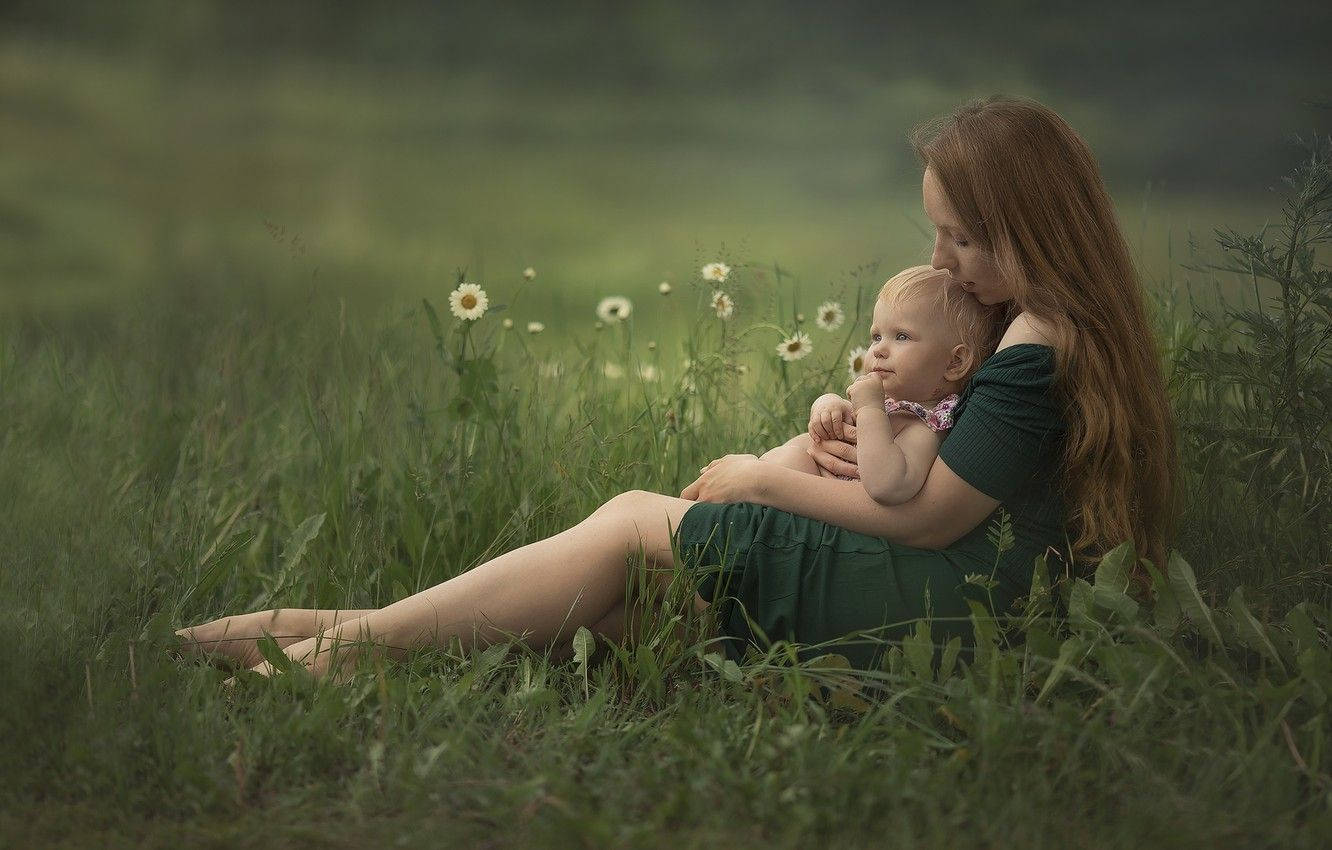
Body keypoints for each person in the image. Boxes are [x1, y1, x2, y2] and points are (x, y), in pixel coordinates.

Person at [176, 95, 1176, 676]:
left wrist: (764, 479)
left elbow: (932, 522)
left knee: (629, 529)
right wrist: (842, 433)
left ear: (1031, 225)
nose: (944, 259)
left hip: (954, 599)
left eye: (963, 236)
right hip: (965, 586)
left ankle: (342, 650)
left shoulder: (1038, 339)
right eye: (937, 233)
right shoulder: (1037, 319)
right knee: (629, 592)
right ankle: (341, 632)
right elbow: (939, 469)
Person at [758, 265, 1002, 508]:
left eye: (902, 337)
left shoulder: (925, 429)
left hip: (824, 515)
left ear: (954, 362)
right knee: (788, 456)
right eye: (876, 336)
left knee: (791, 460)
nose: (878, 349)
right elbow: (847, 421)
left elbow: (887, 487)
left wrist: (869, 410)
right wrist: (828, 405)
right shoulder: (889, 404)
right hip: (794, 491)